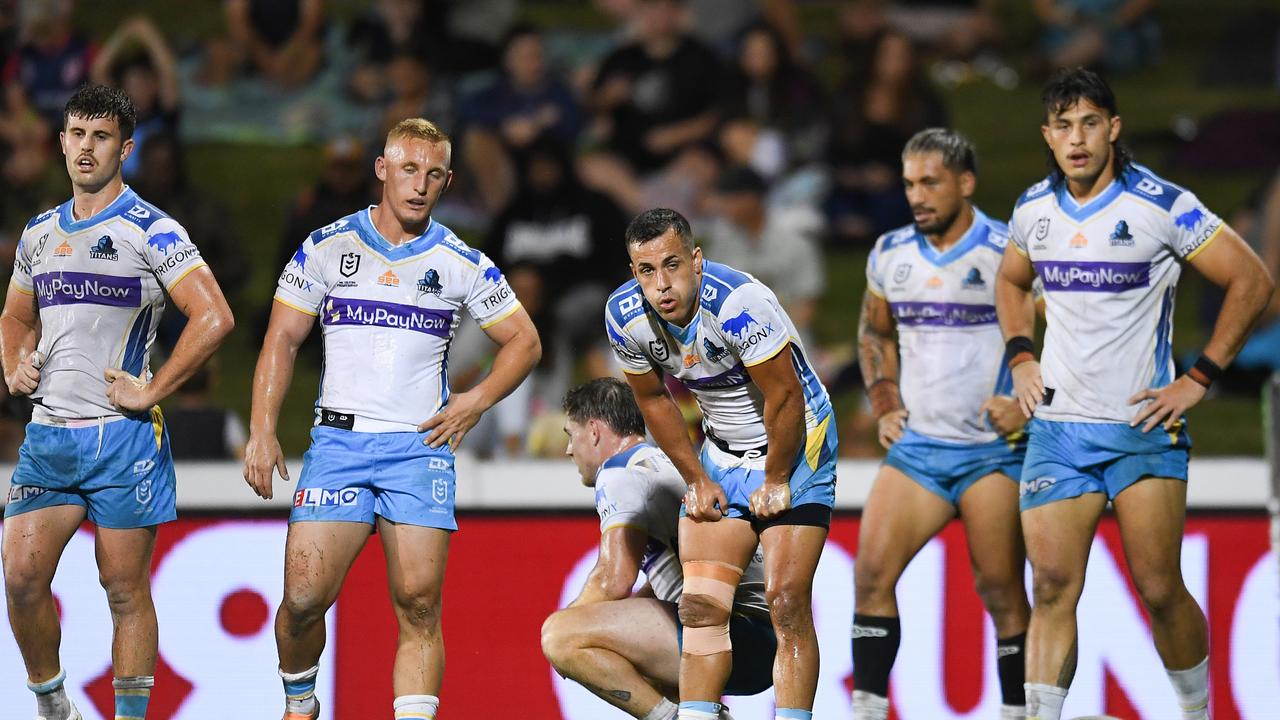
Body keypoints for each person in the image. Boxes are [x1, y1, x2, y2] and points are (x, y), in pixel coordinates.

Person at [996, 68, 1274, 720]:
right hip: (1059, 430)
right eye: (1063, 126)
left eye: (1090, 122)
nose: (1077, 138)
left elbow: (1252, 280)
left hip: (1142, 426)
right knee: (1054, 587)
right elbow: (1011, 283)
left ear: (1113, 128)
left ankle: (1196, 710)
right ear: (1048, 135)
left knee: (1156, 586)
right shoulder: (1033, 209)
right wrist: (1020, 356)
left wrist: (1200, 376)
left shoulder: (1162, 205)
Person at [242, 117, 540, 720]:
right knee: (301, 599)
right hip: (339, 444)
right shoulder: (326, 247)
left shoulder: (462, 262)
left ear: (448, 180)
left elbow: (525, 343)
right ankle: (300, 704)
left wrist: (474, 402)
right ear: (382, 169)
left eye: (434, 175)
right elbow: (281, 339)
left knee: (420, 605)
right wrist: (261, 429)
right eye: (409, 169)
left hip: (418, 448)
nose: (420, 185)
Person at [1, 83, 234, 720]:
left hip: (121, 436)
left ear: (125, 148)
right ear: (61, 141)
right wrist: (13, 363)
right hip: (49, 434)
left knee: (123, 589)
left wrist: (154, 390)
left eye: (100, 137)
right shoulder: (39, 232)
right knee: (20, 576)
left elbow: (214, 316)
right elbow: (15, 316)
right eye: (76, 134)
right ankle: (52, 702)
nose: (85, 148)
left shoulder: (151, 230)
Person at [605, 208, 837, 720]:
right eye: (646, 271)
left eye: (672, 265)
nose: (661, 285)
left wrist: (777, 479)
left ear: (697, 260)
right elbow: (654, 401)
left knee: (785, 604)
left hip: (797, 447)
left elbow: (785, 396)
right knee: (700, 606)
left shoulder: (738, 305)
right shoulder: (624, 316)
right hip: (723, 451)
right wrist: (696, 477)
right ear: (633, 273)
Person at [852, 128, 1031, 720]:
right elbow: (875, 331)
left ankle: (1017, 712)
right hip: (919, 450)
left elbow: (1059, 332)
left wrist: (1026, 398)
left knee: (1001, 591)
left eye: (930, 182)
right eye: (909, 184)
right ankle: (868, 710)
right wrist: (883, 399)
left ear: (966, 183)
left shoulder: (1010, 248)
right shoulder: (890, 253)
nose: (917, 195)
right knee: (871, 574)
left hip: (994, 452)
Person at [541, 377, 774, 720]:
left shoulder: (618, 472)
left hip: (733, 635)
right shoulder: (668, 463)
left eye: (569, 435)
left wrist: (569, 633)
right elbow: (673, 573)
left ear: (593, 431)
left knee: (561, 636)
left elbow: (613, 579)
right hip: (759, 641)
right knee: (615, 651)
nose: (568, 450)